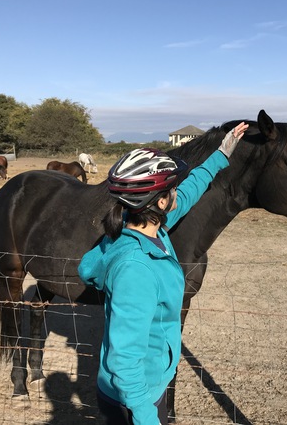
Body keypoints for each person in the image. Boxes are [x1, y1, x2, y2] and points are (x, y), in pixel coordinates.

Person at [78, 122, 249, 425]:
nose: (177, 193)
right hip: (135, 398)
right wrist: (146, 418)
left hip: (146, 384)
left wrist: (222, 154)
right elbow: (124, 361)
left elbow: (191, 189)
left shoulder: (146, 229)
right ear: (159, 202)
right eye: (172, 189)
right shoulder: (136, 269)